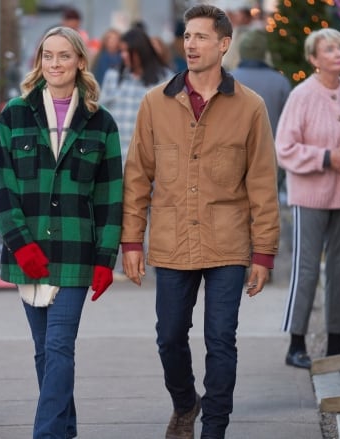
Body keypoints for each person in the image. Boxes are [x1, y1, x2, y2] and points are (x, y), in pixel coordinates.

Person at [121, 5, 280, 438]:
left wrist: (263, 252)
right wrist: (131, 241)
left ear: (224, 44)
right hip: (172, 241)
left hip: (228, 242)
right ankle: (185, 403)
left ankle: (215, 427)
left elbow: (263, 183)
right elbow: (137, 175)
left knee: (220, 340)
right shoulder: (156, 103)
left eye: (201, 37)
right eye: (187, 36)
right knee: (169, 337)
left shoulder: (250, 107)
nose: (191, 44)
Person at [0, 26, 123, 439]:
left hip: (74, 252)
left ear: (80, 61)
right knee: (45, 351)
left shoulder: (101, 123)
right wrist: (20, 245)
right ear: (39, 61)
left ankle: (46, 434)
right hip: (28, 252)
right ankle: (65, 430)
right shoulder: (14, 115)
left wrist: (105, 260)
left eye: (64, 56)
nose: (55, 64)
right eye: (48, 56)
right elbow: (2, 189)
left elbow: (110, 198)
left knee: (60, 346)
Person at [276, 28, 340, 369]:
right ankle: (296, 342)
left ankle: (336, 343)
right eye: (329, 49)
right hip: (310, 195)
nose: (338, 52)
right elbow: (284, 148)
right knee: (307, 268)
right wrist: (327, 158)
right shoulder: (302, 96)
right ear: (314, 59)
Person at [229, 29, 292, 198]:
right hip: (270, 157)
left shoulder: (226, 81)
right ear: (264, 52)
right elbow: (288, 125)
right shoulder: (280, 82)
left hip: (232, 157)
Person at [100, 26, 174, 162]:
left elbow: (172, 124)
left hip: (149, 162)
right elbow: (101, 115)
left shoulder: (165, 79)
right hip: (116, 159)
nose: (123, 55)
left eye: (128, 51)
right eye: (121, 51)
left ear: (141, 52)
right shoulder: (113, 77)